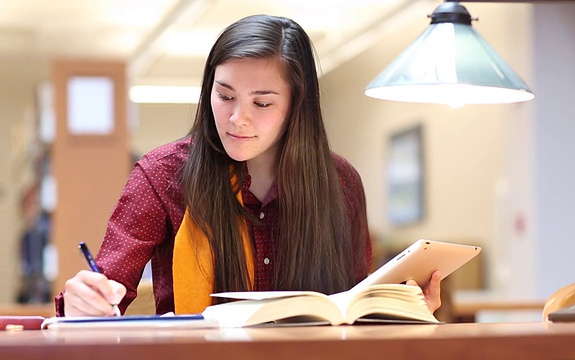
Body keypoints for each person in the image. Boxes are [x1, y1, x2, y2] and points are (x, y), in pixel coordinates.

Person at [56, 14, 442, 317]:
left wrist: (400, 307)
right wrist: (83, 304)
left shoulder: (340, 182)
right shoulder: (162, 174)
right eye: (224, 96)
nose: (237, 118)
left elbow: (354, 306)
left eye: (261, 103)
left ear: (296, 105)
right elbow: (104, 295)